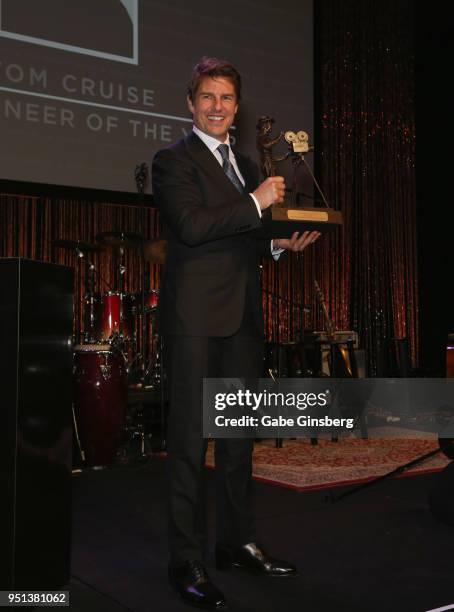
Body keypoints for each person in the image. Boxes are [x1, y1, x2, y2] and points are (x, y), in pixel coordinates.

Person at [152, 56, 320, 610]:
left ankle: (236, 541)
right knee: (187, 445)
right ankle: (186, 558)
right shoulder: (171, 161)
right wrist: (255, 204)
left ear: (237, 106)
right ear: (191, 103)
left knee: (236, 443)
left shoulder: (248, 166)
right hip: (194, 321)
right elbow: (194, 226)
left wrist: (278, 244)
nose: (218, 106)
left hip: (242, 319)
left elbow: (248, 237)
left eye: (227, 98)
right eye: (208, 97)